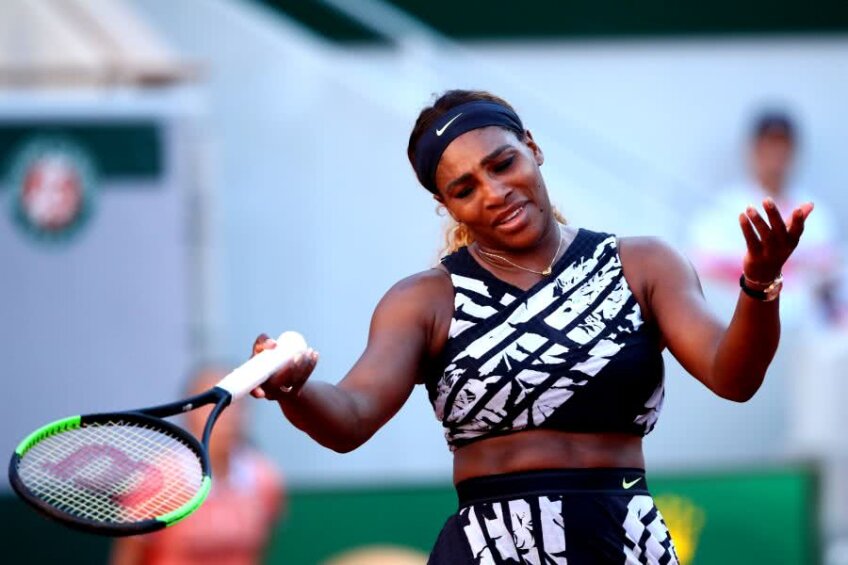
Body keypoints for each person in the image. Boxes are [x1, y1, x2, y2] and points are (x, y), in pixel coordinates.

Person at [249, 90, 813, 564]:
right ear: (447, 207)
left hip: (621, 537)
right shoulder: (423, 300)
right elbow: (350, 417)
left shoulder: (641, 264)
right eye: (464, 189)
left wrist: (758, 285)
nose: (494, 193)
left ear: (533, 148)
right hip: (492, 546)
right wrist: (295, 389)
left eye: (502, 163)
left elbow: (733, 376)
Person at [111, 365, 285, 565]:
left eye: (237, 404)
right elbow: (128, 558)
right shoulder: (156, 480)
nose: (228, 415)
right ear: (190, 412)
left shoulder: (266, 478)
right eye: (213, 404)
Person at [690, 110, 841, 328]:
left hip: (803, 333)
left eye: (783, 145)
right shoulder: (724, 209)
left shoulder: (814, 212)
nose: (776, 154)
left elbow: (830, 272)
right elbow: (703, 267)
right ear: (754, 149)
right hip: (742, 326)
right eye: (769, 144)